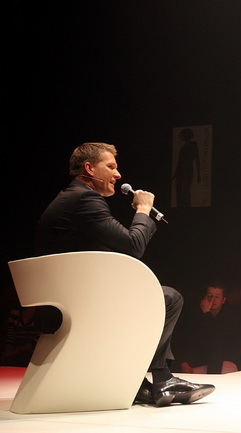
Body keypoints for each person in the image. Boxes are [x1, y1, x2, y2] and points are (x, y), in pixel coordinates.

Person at [34, 142, 214, 407]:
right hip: (78, 306)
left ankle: (144, 382)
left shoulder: (71, 199)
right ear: (89, 168)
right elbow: (133, 245)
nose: (118, 175)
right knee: (169, 298)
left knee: (158, 295)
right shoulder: (84, 200)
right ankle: (160, 378)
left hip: (66, 301)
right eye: (111, 167)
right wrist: (143, 210)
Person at [173, 284, 241, 374]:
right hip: (199, 361)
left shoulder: (230, 317)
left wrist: (207, 314)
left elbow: (217, 339)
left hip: (226, 362)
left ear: (223, 300)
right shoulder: (194, 315)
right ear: (204, 298)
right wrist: (183, 362)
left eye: (217, 297)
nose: (213, 299)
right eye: (210, 296)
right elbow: (185, 340)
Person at [173, 128, 201, 208]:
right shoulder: (183, 148)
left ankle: (186, 207)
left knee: (185, 189)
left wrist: (199, 174)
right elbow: (179, 163)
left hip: (188, 170)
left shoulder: (193, 145)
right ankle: (180, 207)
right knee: (179, 189)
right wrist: (175, 175)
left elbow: (197, 159)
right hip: (181, 171)